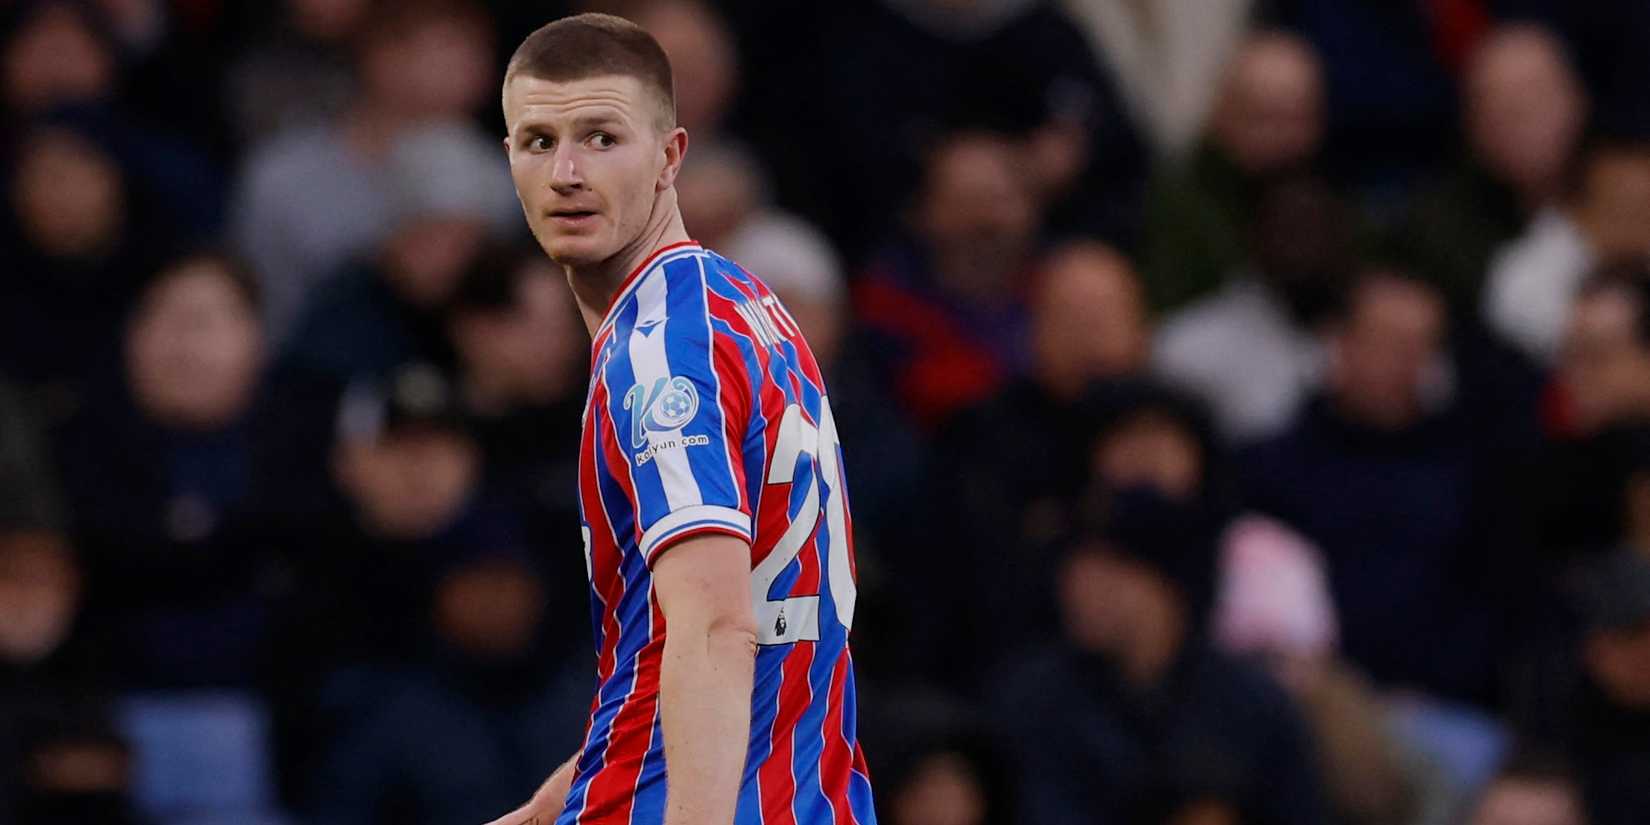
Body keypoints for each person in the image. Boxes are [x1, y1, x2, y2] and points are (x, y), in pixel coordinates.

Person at [485, 14, 874, 825]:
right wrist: (549, 803)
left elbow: (715, 625)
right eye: (536, 140)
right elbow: (682, 636)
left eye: (600, 137)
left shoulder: (661, 351)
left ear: (671, 156)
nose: (564, 172)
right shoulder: (745, 305)